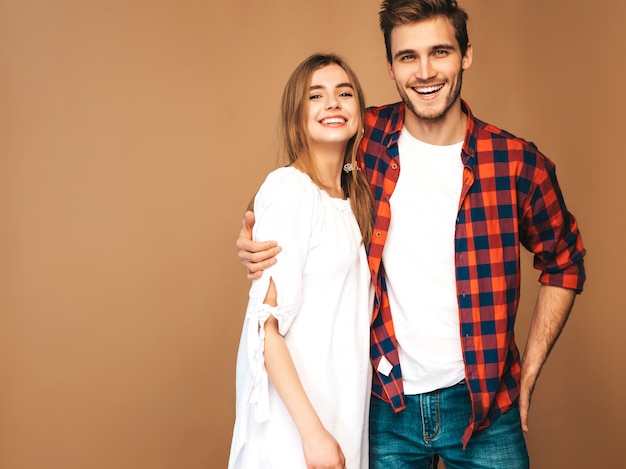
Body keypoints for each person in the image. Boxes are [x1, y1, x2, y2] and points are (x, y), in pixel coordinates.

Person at [236, 1, 586, 467]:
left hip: (484, 410)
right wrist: (255, 241)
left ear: (466, 55)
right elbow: (304, 186)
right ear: (391, 67)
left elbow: (564, 261)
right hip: (385, 405)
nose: (424, 72)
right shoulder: (367, 136)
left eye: (439, 52)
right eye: (407, 57)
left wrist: (530, 371)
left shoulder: (517, 163)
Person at [227, 53, 375, 469]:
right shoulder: (289, 188)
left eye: (344, 93)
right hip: (296, 426)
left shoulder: (354, 199)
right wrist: (312, 435)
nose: (332, 103)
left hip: (341, 411)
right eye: (316, 96)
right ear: (297, 119)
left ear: (359, 115)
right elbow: (265, 326)